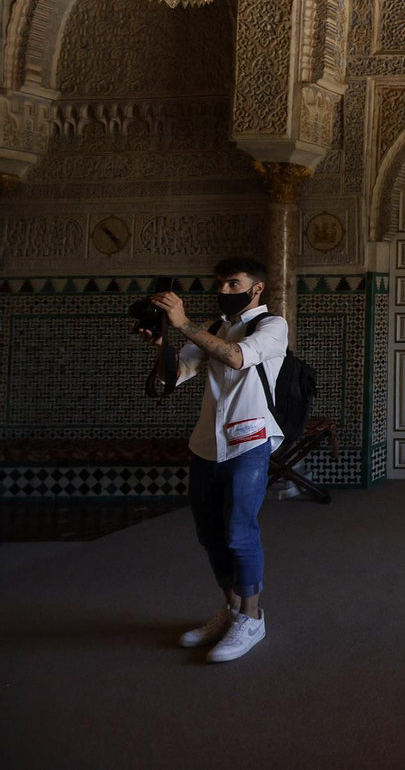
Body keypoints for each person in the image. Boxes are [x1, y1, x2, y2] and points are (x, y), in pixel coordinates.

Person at [137, 257, 286, 663]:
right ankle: (234, 608)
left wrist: (184, 323)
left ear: (256, 288)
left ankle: (253, 618)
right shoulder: (215, 328)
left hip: (250, 443)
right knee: (209, 533)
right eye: (220, 282)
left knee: (239, 531)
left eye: (233, 283)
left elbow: (238, 357)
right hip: (207, 443)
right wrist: (163, 342)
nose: (223, 290)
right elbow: (175, 377)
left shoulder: (272, 326)